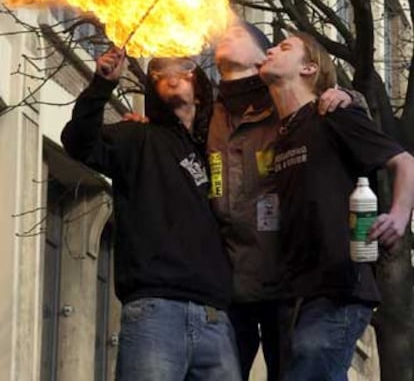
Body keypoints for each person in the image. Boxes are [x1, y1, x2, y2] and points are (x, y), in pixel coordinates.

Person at [61, 48, 242, 381]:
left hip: (215, 318)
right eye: (159, 73)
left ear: (199, 89)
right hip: (156, 312)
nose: (172, 76)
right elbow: (79, 143)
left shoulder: (217, 153)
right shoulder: (137, 137)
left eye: (183, 68)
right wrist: (101, 86)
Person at [259, 32, 414, 381]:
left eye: (284, 48)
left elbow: (405, 162)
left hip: (338, 288)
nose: (270, 49)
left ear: (309, 68)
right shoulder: (279, 133)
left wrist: (400, 215)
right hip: (290, 294)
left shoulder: (333, 114)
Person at [208, 21, 354, 380]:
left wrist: (349, 96)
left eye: (240, 35)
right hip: (233, 283)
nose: (227, 33)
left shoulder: (286, 101)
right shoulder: (208, 114)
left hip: (288, 285)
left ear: (263, 58)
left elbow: (331, 109)